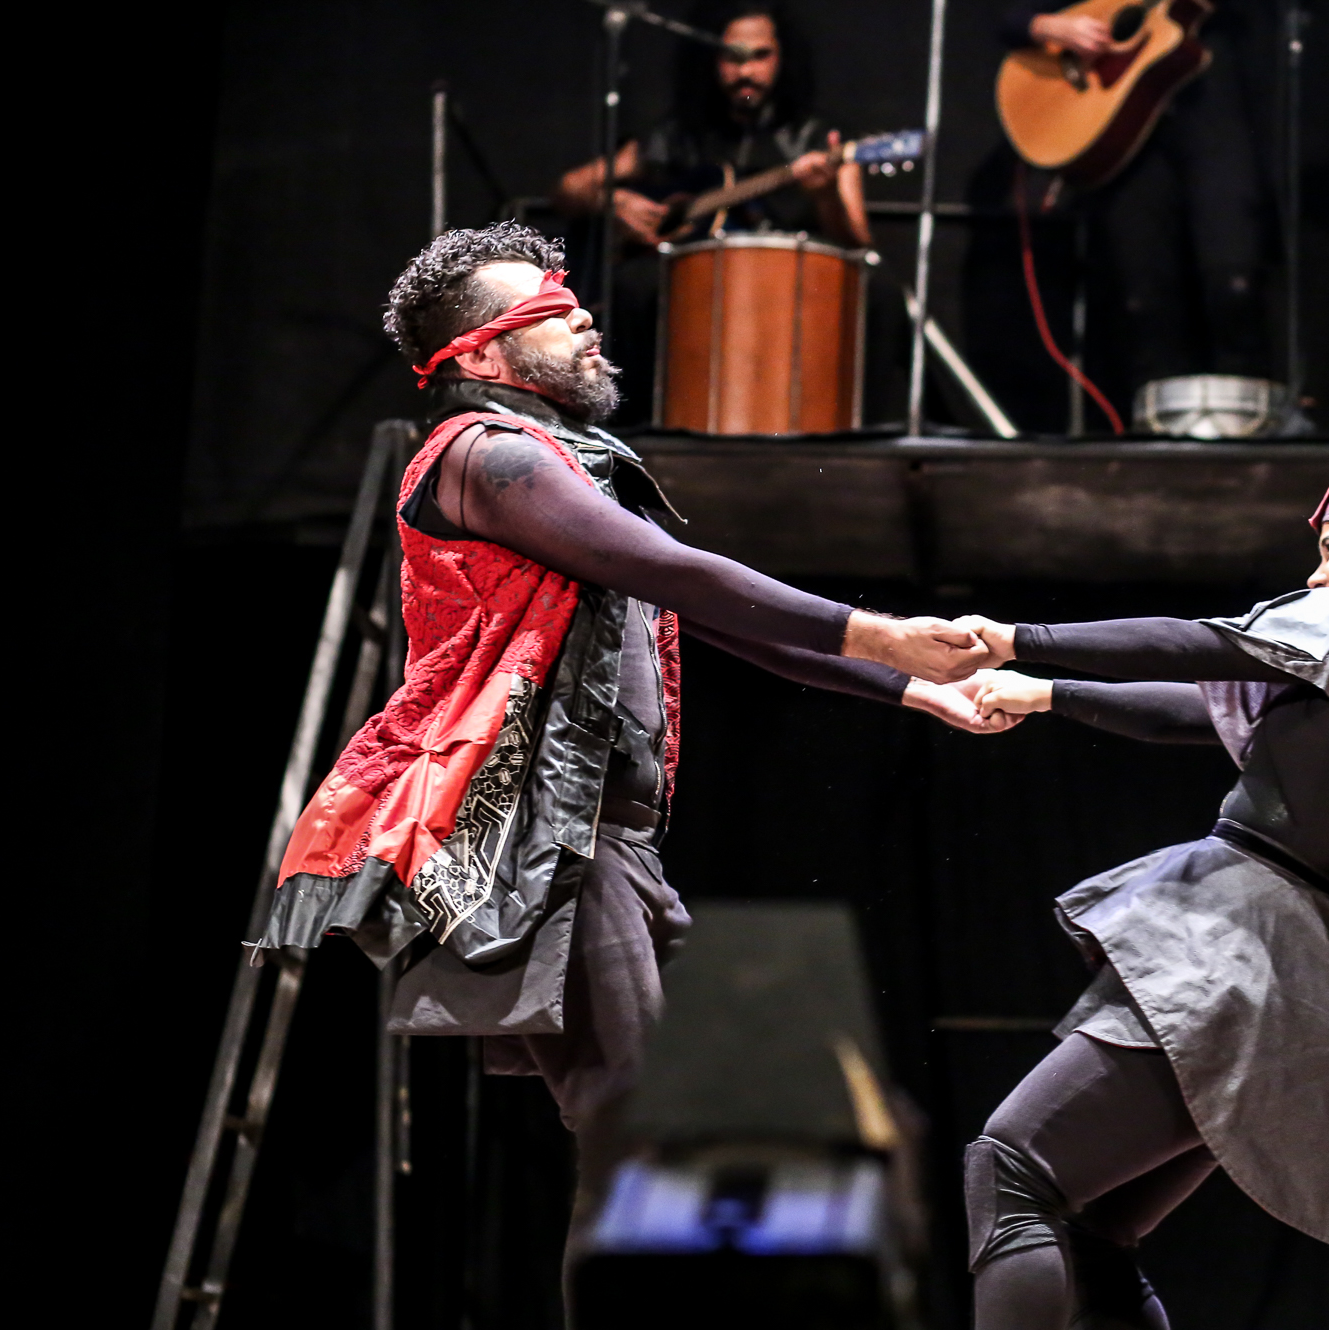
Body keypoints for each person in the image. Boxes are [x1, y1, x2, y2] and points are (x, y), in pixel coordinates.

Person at [255, 223, 990, 1217]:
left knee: (677, 1126)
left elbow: (709, 611)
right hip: (556, 843)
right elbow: (674, 569)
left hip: (615, 846)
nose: (583, 317)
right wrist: (880, 634)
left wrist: (904, 685)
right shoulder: (480, 456)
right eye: (549, 310)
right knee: (638, 1134)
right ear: (481, 357)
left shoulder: (563, 463)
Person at [928, 451, 1329, 1330]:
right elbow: (1195, 712)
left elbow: (1199, 642)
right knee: (1095, 1237)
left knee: (1012, 1169)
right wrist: (1049, 692)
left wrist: (1019, 637)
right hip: (1279, 960)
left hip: (1235, 941)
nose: (1316, 576)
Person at [1000, 1, 1275, 396]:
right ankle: (1157, 422)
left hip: (1211, 111)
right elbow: (1006, 18)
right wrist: (1048, 26)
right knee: (1145, 296)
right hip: (1122, 128)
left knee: (1232, 278)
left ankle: (1250, 419)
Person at [555, 0, 870, 251]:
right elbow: (569, 188)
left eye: (760, 56)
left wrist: (827, 197)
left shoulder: (820, 138)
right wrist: (614, 201)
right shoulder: (677, 135)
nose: (746, 72)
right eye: (733, 57)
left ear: (783, 58)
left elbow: (859, 243)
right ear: (711, 59)